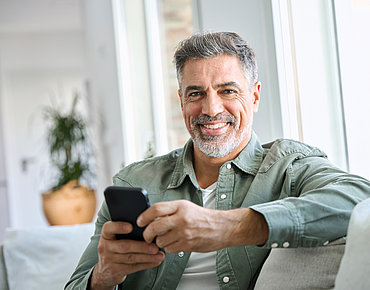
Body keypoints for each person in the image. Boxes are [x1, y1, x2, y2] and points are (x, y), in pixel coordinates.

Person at [65, 32, 370, 290]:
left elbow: (361, 199)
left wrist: (227, 227)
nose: (211, 108)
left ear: (254, 97)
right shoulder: (134, 181)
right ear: (182, 101)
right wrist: (103, 276)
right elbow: (77, 283)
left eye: (228, 90)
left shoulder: (289, 166)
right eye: (196, 93)